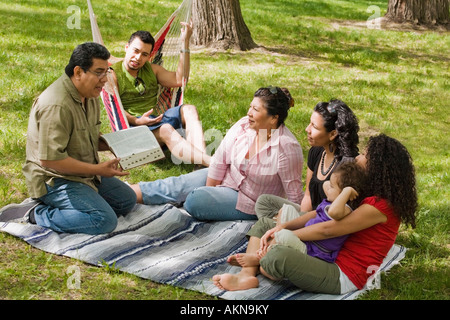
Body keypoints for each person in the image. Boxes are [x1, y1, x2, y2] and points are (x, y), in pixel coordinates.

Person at [213, 134, 418, 294]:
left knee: (277, 256)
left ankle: (259, 260)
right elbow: (322, 213)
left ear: (379, 167)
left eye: (365, 155)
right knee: (266, 223)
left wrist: (284, 233)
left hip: (342, 274)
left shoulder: (380, 206)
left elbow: (329, 230)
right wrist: (281, 228)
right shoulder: (369, 192)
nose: (358, 157)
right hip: (323, 253)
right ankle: (247, 274)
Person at [0, 42, 137, 235]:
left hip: (81, 171)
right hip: (53, 178)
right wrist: (98, 170)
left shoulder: (90, 94)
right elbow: (50, 160)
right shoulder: (56, 105)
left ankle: (79, 204)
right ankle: (35, 213)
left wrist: (117, 145)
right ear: (79, 72)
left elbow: (88, 136)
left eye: (107, 72)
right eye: (99, 72)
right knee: (103, 220)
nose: (104, 80)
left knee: (127, 201)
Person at [130, 86, 304, 221]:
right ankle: (124, 194)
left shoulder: (286, 147)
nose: (248, 113)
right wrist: (210, 190)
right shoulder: (244, 125)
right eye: (251, 107)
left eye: (256, 110)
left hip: (249, 202)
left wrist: (295, 222)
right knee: (176, 185)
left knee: (194, 201)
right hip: (228, 178)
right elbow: (220, 159)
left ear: (274, 118)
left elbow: (294, 194)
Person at [229, 161, 367, 268]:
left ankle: (259, 257)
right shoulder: (332, 200)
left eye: (332, 187)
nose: (327, 187)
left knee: (283, 235)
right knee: (286, 210)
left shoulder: (345, 210)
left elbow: (334, 212)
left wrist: (347, 191)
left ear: (345, 195)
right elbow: (325, 185)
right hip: (305, 238)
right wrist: (336, 187)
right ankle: (272, 247)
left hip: (311, 250)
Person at [110, 27, 211, 167]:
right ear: (126, 47)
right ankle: (212, 164)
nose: (138, 58)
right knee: (165, 129)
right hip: (134, 129)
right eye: (135, 51)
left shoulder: (152, 70)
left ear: (149, 56)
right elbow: (115, 111)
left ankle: (201, 164)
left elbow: (179, 79)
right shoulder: (113, 75)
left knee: (190, 109)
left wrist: (185, 42)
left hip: (157, 120)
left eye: (144, 54)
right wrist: (138, 121)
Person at [254, 99, 360, 221]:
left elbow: (336, 216)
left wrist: (296, 223)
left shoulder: (347, 165)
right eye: (310, 123)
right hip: (308, 217)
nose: (307, 129)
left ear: (332, 134)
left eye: (314, 126)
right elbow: (308, 196)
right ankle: (276, 226)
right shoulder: (316, 151)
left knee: (269, 222)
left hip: (324, 221)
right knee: (264, 202)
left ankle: (273, 227)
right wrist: (299, 219)